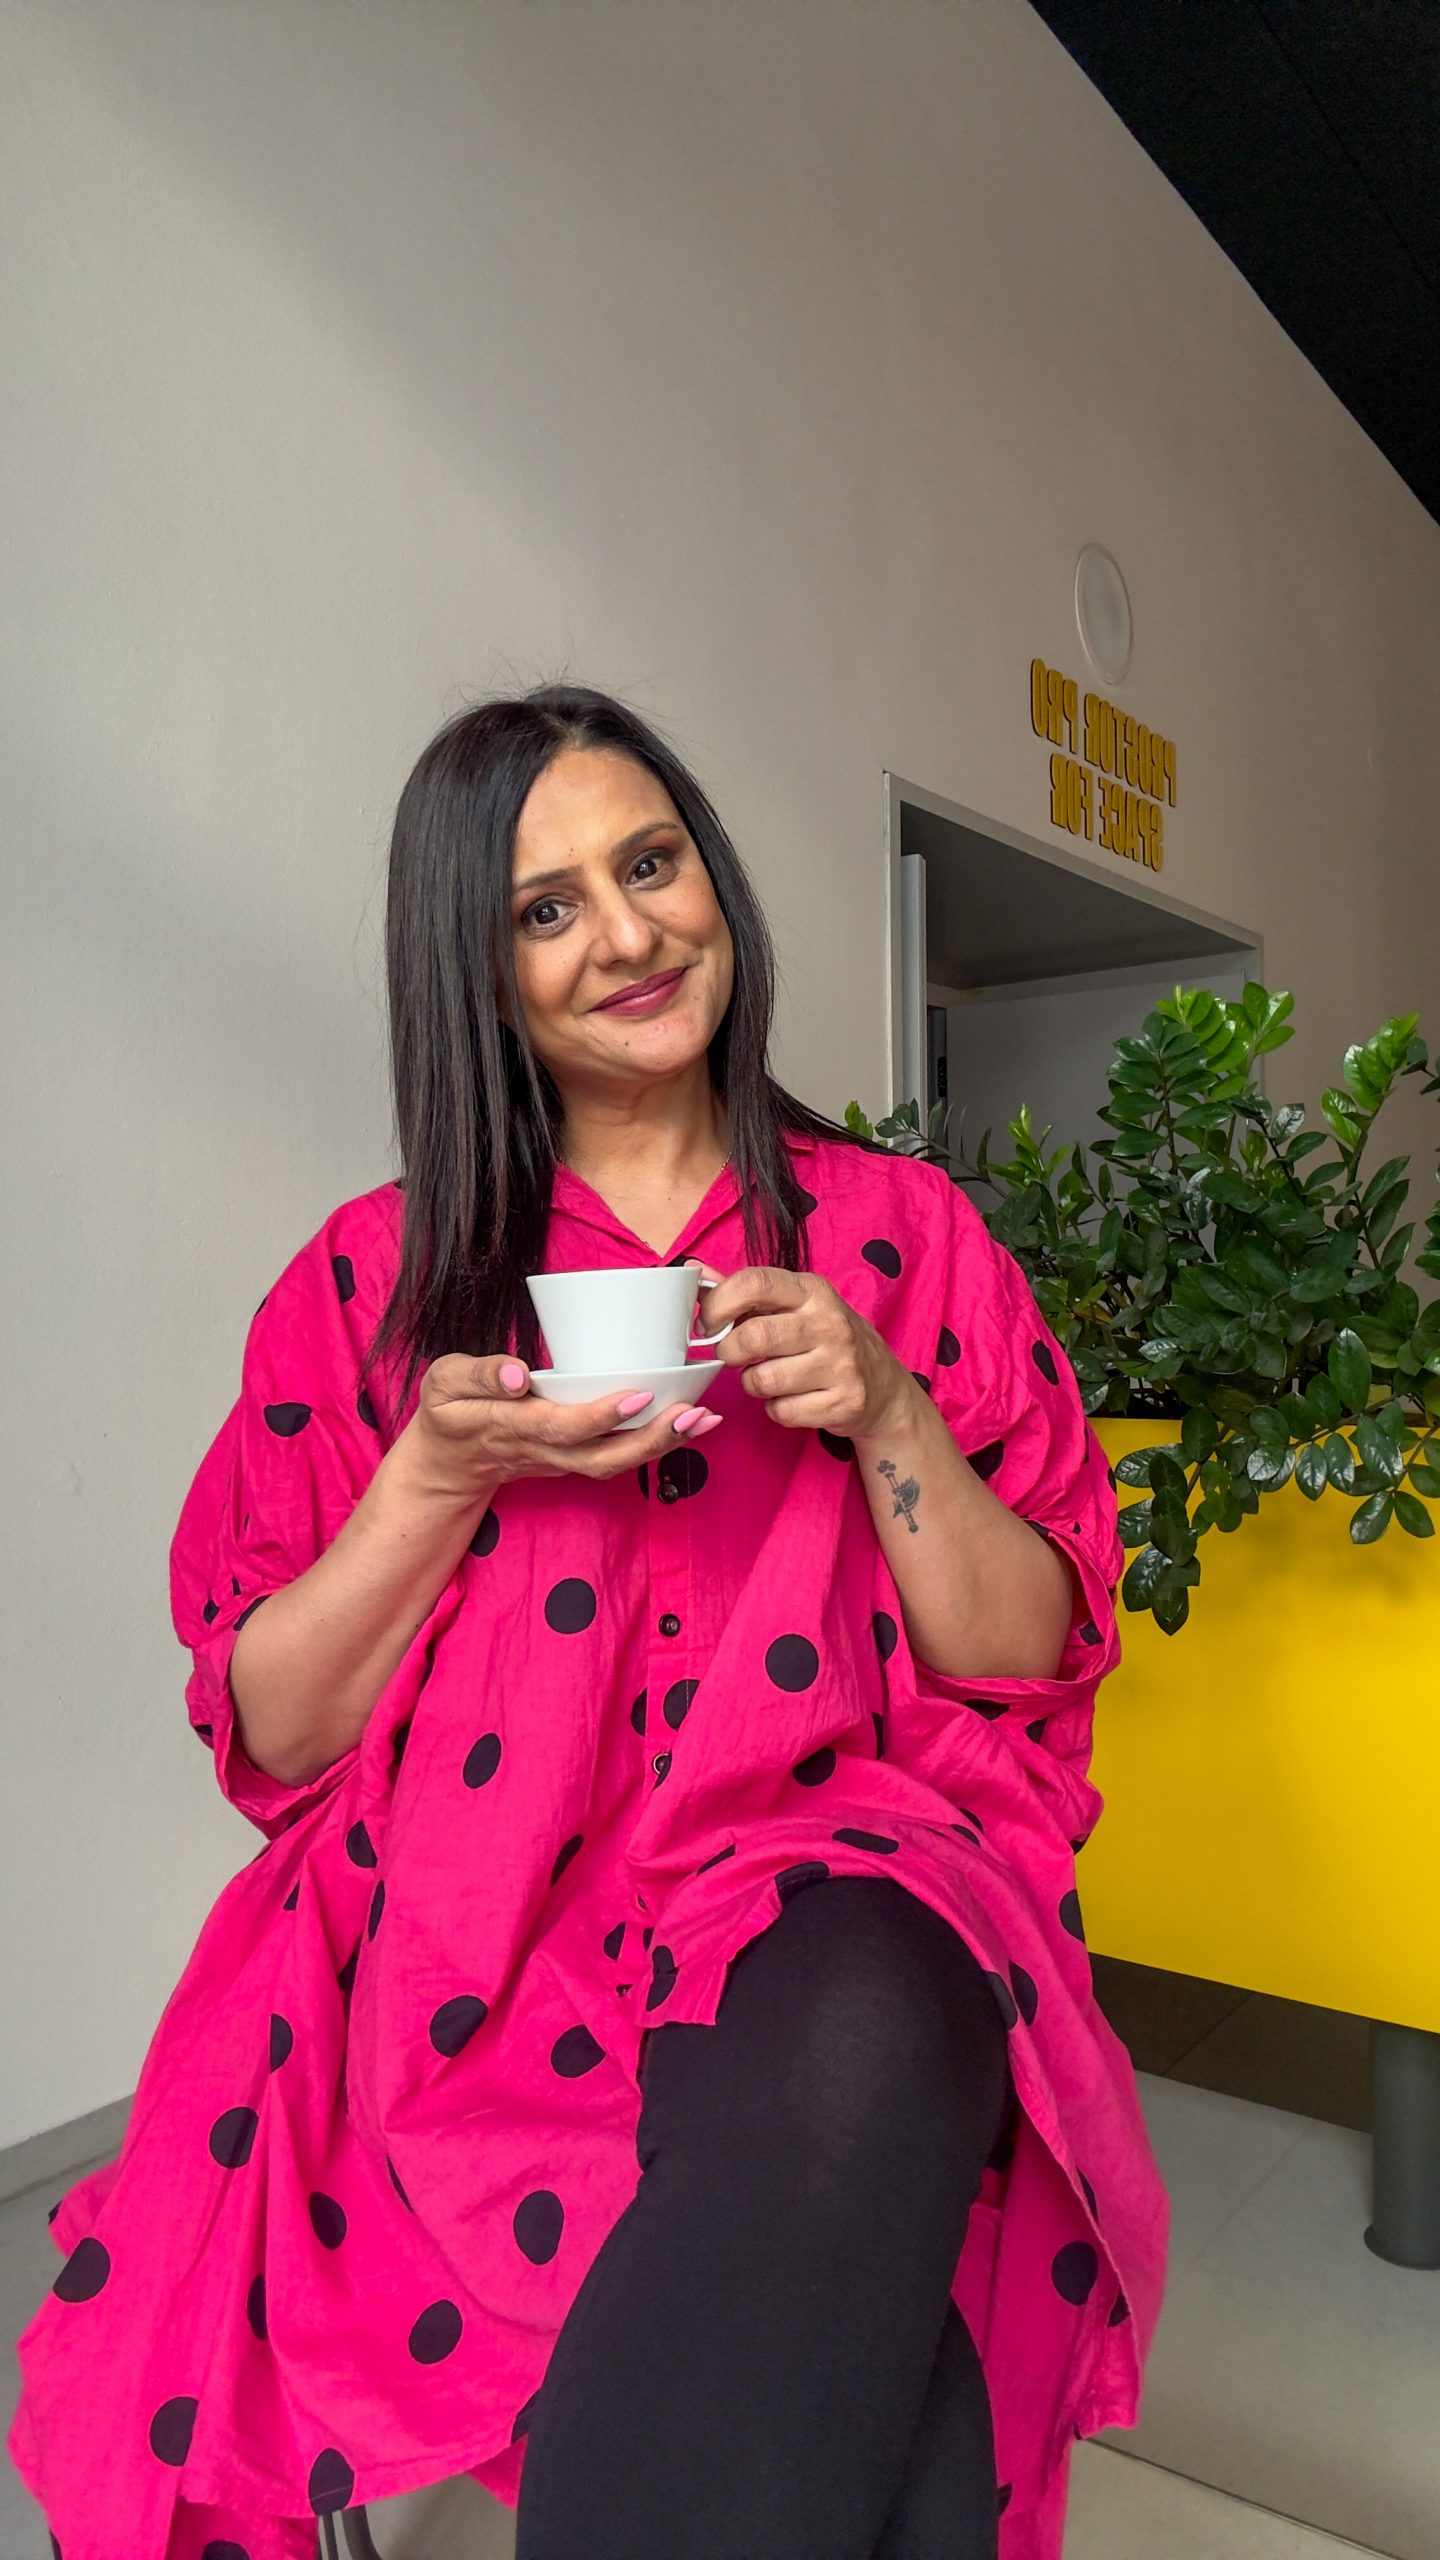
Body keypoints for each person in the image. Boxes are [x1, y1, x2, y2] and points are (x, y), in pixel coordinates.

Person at [10, 685, 1168, 2560]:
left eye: (651, 863)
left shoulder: (900, 1234)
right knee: (892, 2400)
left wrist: (887, 1410)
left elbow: (1022, 1651)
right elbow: (272, 1735)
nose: (628, 931)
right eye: (547, 907)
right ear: (475, 972)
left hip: (824, 1875)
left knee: (876, 1996)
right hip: (468, 1920)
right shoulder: (371, 1281)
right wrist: (434, 1476)